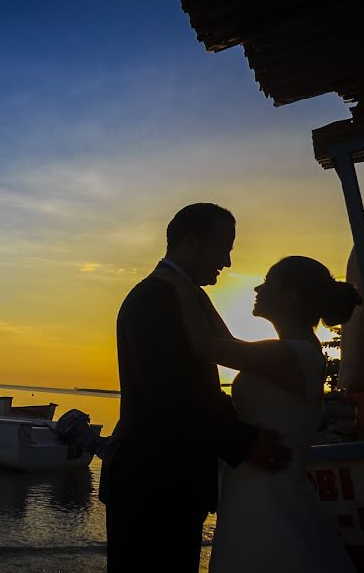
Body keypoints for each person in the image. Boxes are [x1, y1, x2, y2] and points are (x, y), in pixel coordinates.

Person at [98, 203, 291, 572]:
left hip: (171, 481)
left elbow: (207, 376)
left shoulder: (186, 296)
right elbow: (170, 397)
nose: (229, 261)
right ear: (191, 241)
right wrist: (245, 442)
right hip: (151, 482)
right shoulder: (154, 300)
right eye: (224, 247)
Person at [156, 255, 360, 572]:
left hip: (266, 495)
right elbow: (226, 342)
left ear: (290, 295)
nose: (257, 287)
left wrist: (180, 286)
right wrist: (197, 291)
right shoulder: (293, 350)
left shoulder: (287, 354)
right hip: (260, 486)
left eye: (267, 282)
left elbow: (207, 346)